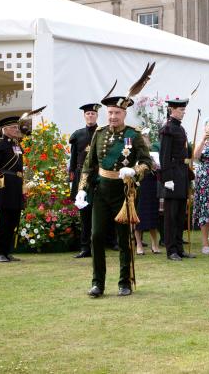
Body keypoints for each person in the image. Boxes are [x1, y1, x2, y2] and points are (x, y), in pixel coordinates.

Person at [76, 95, 153, 297]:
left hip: (124, 193)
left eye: (117, 113)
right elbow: (88, 164)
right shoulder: (99, 134)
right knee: (96, 236)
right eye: (110, 112)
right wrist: (82, 188)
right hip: (101, 191)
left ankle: (124, 282)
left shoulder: (133, 135)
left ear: (124, 114)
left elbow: (147, 163)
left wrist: (135, 171)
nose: (112, 116)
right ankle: (97, 283)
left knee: (124, 239)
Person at [0, 116, 26, 263]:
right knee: (4, 221)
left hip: (16, 185)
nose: (16, 129)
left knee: (14, 220)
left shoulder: (16, 144)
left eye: (16, 127)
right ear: (5, 129)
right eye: (13, 127)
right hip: (4, 185)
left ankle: (8, 251)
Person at [159, 97, 193, 261]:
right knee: (171, 215)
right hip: (172, 174)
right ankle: (171, 250)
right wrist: (167, 178)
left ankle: (179, 248)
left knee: (180, 214)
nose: (183, 112)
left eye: (184, 110)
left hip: (182, 173)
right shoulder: (168, 128)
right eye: (181, 110)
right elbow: (164, 155)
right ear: (172, 110)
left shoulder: (179, 128)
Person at [68, 103, 100, 259]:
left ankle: (108, 242)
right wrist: (71, 175)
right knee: (84, 212)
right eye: (88, 114)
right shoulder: (78, 135)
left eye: (93, 114)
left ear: (97, 116)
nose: (90, 116)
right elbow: (73, 158)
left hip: (99, 175)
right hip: (82, 176)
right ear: (84, 116)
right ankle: (85, 247)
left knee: (101, 210)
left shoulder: (103, 133)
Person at [192, 120, 209, 255]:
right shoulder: (202, 143)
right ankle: (205, 243)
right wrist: (203, 139)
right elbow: (195, 156)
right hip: (204, 182)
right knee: (204, 212)